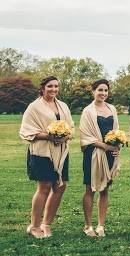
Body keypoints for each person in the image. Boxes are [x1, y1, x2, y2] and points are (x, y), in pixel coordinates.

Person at [19, 76, 74, 239]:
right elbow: (26, 130)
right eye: (50, 86)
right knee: (44, 187)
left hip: (61, 152)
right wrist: (49, 136)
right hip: (42, 152)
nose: (53, 89)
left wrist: (66, 135)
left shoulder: (62, 105)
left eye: (56, 86)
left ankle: (46, 224)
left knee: (60, 186)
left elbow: (70, 126)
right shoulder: (34, 107)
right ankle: (34, 226)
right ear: (42, 88)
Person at [79, 79, 121, 237]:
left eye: (105, 90)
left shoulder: (112, 109)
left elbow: (116, 131)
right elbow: (85, 137)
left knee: (104, 189)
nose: (103, 93)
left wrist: (117, 147)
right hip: (93, 154)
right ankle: (88, 226)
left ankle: (101, 225)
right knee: (90, 188)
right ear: (93, 92)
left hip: (110, 154)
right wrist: (104, 146)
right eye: (100, 90)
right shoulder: (88, 111)